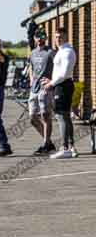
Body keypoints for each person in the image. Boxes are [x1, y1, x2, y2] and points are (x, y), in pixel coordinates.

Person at [42, 27, 78, 159]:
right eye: (56, 36)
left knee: (61, 116)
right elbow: (59, 72)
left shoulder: (67, 51)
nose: (58, 39)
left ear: (66, 36)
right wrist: (51, 80)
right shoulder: (61, 51)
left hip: (63, 86)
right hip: (61, 85)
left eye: (60, 36)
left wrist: (51, 83)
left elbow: (64, 73)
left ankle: (65, 148)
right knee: (66, 117)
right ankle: (71, 146)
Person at [28, 28, 56, 155]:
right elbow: (31, 68)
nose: (40, 39)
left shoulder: (51, 52)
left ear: (46, 37)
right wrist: (31, 80)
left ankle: (45, 143)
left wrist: (52, 81)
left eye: (42, 36)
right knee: (32, 118)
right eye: (37, 36)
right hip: (34, 89)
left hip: (46, 89)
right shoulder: (32, 53)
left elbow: (59, 67)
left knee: (45, 115)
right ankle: (49, 143)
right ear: (34, 38)